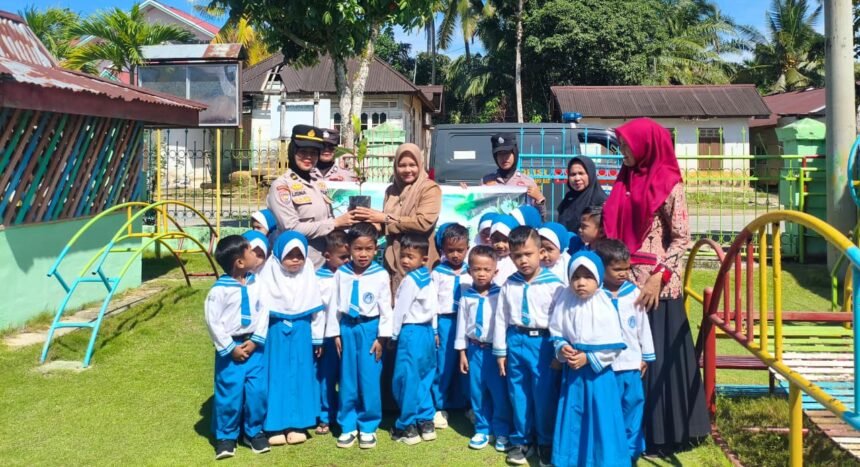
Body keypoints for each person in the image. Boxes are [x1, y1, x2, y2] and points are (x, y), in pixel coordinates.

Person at [602, 117, 709, 455]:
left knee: (658, 359)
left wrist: (657, 277)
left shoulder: (669, 184)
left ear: (646, 145)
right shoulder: (625, 178)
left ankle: (665, 433)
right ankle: (630, 429)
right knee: (629, 358)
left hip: (657, 289)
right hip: (623, 285)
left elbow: (681, 240)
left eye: (626, 145)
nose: (622, 152)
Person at [492, 226, 564, 466]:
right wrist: (501, 351)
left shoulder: (554, 285)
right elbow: (501, 317)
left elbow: (560, 321)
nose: (522, 260)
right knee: (518, 393)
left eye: (528, 254)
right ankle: (522, 440)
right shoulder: (509, 284)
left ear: (541, 252)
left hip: (543, 344)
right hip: (516, 341)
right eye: (516, 255)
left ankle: (545, 442)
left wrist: (557, 351)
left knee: (543, 394)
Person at [549, 251, 628, 467]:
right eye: (576, 277)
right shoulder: (565, 300)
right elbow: (557, 330)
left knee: (600, 418)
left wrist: (589, 358)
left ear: (599, 278)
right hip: (573, 373)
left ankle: (604, 461)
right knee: (573, 416)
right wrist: (562, 348)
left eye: (588, 277)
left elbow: (614, 345)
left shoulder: (604, 305)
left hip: (598, 376)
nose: (581, 283)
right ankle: (571, 460)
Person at [325, 222, 393, 449]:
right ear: (349, 248)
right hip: (347, 328)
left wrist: (382, 337)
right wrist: (335, 332)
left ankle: (368, 425)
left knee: (369, 379)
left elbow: (386, 308)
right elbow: (334, 303)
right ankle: (347, 424)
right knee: (347, 379)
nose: (363, 254)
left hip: (369, 329)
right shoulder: (341, 273)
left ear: (376, 249)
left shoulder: (380, 274)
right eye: (357, 249)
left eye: (368, 249)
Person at [205, 235, 270, 460]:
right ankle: (226, 436)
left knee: (257, 391)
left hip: (254, 346)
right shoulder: (219, 291)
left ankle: (253, 432)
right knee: (229, 393)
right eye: (251, 251)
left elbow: (264, 311)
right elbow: (213, 322)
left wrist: (255, 341)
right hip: (231, 350)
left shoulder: (257, 283)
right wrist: (231, 347)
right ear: (240, 262)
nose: (255, 254)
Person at [260, 232, 325, 446]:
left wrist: (317, 339)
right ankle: (274, 425)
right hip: (275, 333)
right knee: (275, 376)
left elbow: (317, 311)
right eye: (290, 255)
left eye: (300, 255)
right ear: (279, 255)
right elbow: (260, 310)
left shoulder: (308, 275)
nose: (296, 259)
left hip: (303, 333)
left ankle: (298, 424)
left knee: (301, 375)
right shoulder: (267, 275)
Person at [594, 239, 655, 461]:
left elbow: (642, 326)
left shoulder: (633, 293)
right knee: (609, 410)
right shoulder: (595, 295)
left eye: (626, 268)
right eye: (617, 269)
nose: (623, 274)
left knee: (633, 404)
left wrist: (646, 356)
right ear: (602, 268)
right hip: (605, 367)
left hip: (631, 363)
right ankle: (610, 451)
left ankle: (631, 450)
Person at [353, 143, 441, 292]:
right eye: (402, 165)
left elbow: (423, 222)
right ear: (395, 166)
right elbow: (384, 224)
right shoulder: (391, 190)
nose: (407, 170)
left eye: (412, 165)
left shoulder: (430, 189)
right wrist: (367, 221)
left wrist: (385, 218)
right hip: (393, 261)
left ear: (420, 165)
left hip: (418, 260)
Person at [267, 125, 354, 268]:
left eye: (313, 153)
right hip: (298, 265)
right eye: (303, 152)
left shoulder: (318, 184)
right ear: (293, 151)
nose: (308, 157)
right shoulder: (282, 185)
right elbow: (291, 229)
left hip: (324, 264)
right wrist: (334, 223)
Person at [455, 245, 513, 452]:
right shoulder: (466, 296)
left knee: (498, 391)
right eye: (476, 269)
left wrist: (503, 351)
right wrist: (462, 352)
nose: (481, 274)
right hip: (474, 350)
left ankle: (502, 430)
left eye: (486, 270)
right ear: (469, 270)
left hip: (495, 351)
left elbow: (505, 324)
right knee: (477, 390)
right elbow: (462, 325)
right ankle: (482, 428)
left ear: (495, 271)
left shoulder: (501, 295)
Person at [390, 233, 439, 445]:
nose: (405, 260)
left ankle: (407, 425)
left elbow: (400, 310)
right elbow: (434, 308)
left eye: (411, 256)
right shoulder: (429, 277)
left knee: (405, 379)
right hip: (427, 332)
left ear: (424, 259)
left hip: (411, 332)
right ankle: (426, 421)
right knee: (424, 376)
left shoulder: (410, 281)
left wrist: (393, 335)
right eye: (403, 255)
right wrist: (435, 331)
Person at [430, 223, 472, 428]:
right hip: (446, 322)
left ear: (468, 248)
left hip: (467, 323)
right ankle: (439, 407)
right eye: (450, 250)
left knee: (466, 365)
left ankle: (468, 405)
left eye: (460, 250)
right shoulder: (438, 273)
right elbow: (432, 303)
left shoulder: (473, 271)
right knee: (444, 364)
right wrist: (435, 329)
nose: (455, 255)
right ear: (443, 250)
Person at [314, 229, 351, 436]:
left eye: (349, 257)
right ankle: (325, 415)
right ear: (327, 256)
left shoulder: (351, 276)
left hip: (348, 334)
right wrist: (318, 338)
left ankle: (345, 414)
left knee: (347, 377)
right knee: (327, 378)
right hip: (327, 337)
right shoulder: (318, 279)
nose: (347, 261)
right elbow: (318, 312)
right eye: (343, 257)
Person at [482, 133, 547, 221]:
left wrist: (539, 199)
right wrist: (465, 192)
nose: (504, 158)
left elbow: (541, 219)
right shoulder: (486, 181)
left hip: (519, 233)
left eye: (507, 153)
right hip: (495, 233)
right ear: (495, 157)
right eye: (500, 154)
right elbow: (477, 211)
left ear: (515, 153)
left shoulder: (528, 182)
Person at [556, 156, 607, 232]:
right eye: (573, 174)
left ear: (590, 174)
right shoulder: (569, 198)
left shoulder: (600, 200)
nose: (577, 178)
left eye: (581, 173)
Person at [489, 215, 519, 286]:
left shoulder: (516, 261)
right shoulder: (487, 258)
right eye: (496, 240)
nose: (500, 245)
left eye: (505, 240)